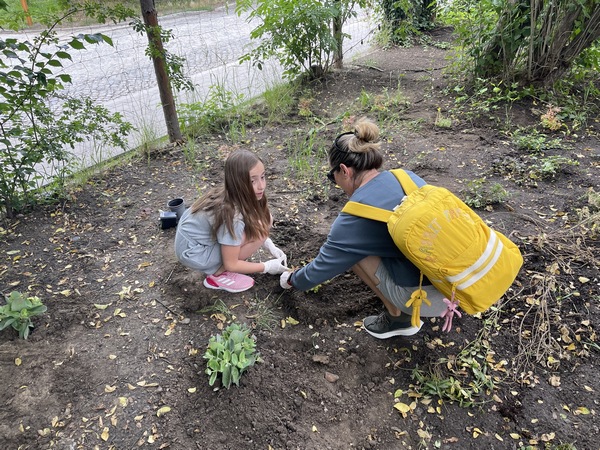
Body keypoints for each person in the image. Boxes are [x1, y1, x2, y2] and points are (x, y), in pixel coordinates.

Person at [279, 117, 446, 339]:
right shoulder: (406, 176)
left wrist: (291, 279)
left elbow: (318, 271)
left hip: (429, 299)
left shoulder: (355, 217)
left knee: (352, 252)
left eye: (333, 176)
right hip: (456, 282)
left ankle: (399, 318)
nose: (335, 182)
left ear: (344, 170)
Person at [175, 149, 288, 293]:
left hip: (194, 241)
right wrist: (267, 267)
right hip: (193, 252)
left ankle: (222, 259)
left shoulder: (232, 194)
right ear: (238, 183)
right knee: (261, 232)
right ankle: (216, 275)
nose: (261, 186)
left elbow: (255, 220)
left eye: (263, 177)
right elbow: (232, 264)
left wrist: (268, 244)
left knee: (265, 223)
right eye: (252, 181)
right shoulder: (232, 215)